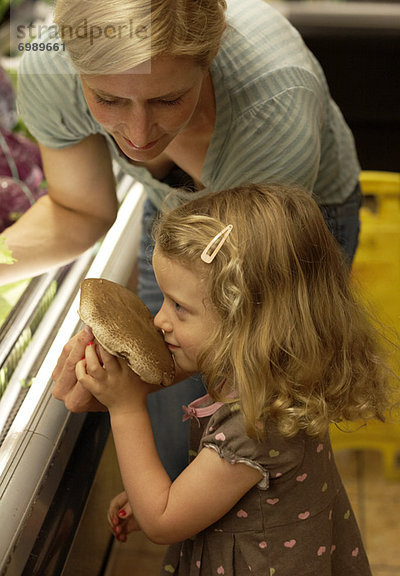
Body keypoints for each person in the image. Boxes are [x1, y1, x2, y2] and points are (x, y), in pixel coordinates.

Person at [4, 0, 362, 479]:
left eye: (167, 100)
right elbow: (80, 210)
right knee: (173, 445)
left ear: (209, 59)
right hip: (175, 199)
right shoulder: (49, 64)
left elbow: (245, 333)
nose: (136, 134)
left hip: (291, 217)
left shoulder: (273, 112)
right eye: (108, 99)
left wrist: (125, 385)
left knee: (254, 420)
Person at [74, 183, 391, 576]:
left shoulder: (255, 420)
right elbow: (218, 488)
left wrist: (126, 407)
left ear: (251, 322)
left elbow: (163, 521)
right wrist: (165, 493)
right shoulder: (271, 379)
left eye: (180, 308)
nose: (159, 321)